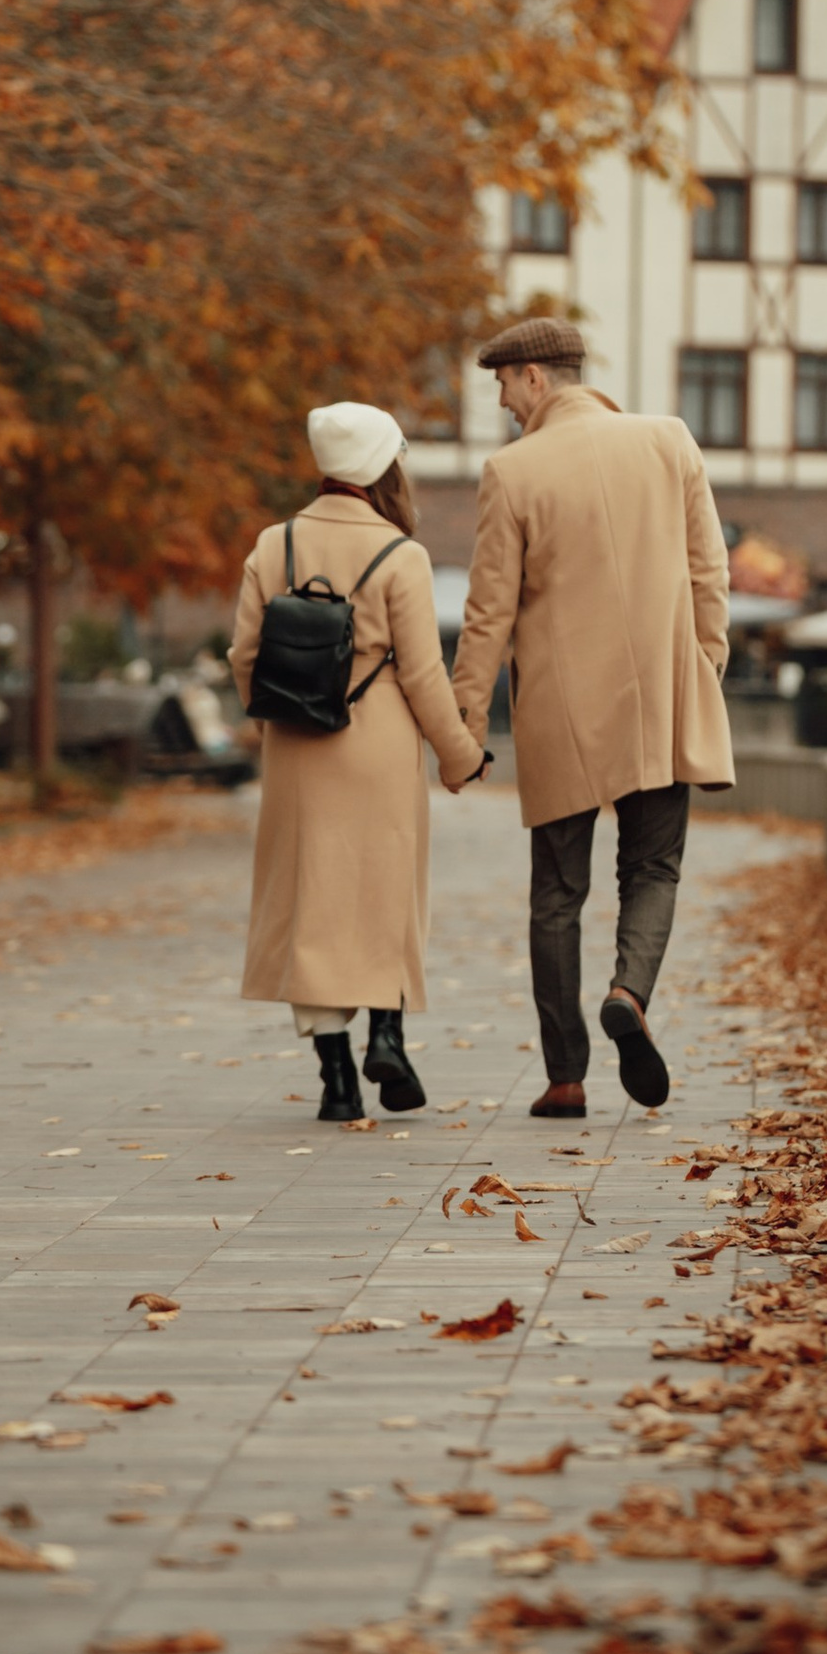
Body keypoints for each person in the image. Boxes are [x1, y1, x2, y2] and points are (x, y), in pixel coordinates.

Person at [450, 316, 732, 1118]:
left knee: (556, 895)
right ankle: (628, 993)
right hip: (659, 698)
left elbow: (488, 616)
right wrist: (703, 669)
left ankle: (565, 1077)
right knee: (653, 869)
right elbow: (708, 571)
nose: (502, 401)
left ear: (536, 377)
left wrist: (464, 729)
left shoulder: (512, 472)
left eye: (504, 383)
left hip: (561, 711)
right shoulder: (670, 441)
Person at [228, 402, 484, 1125]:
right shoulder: (401, 555)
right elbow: (423, 676)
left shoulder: (272, 545)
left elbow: (245, 656)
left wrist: (278, 713)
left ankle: (337, 1081)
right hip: (379, 745)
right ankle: (388, 1036)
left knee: (310, 901)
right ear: (384, 468)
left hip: (298, 745)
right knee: (384, 889)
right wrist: (460, 757)